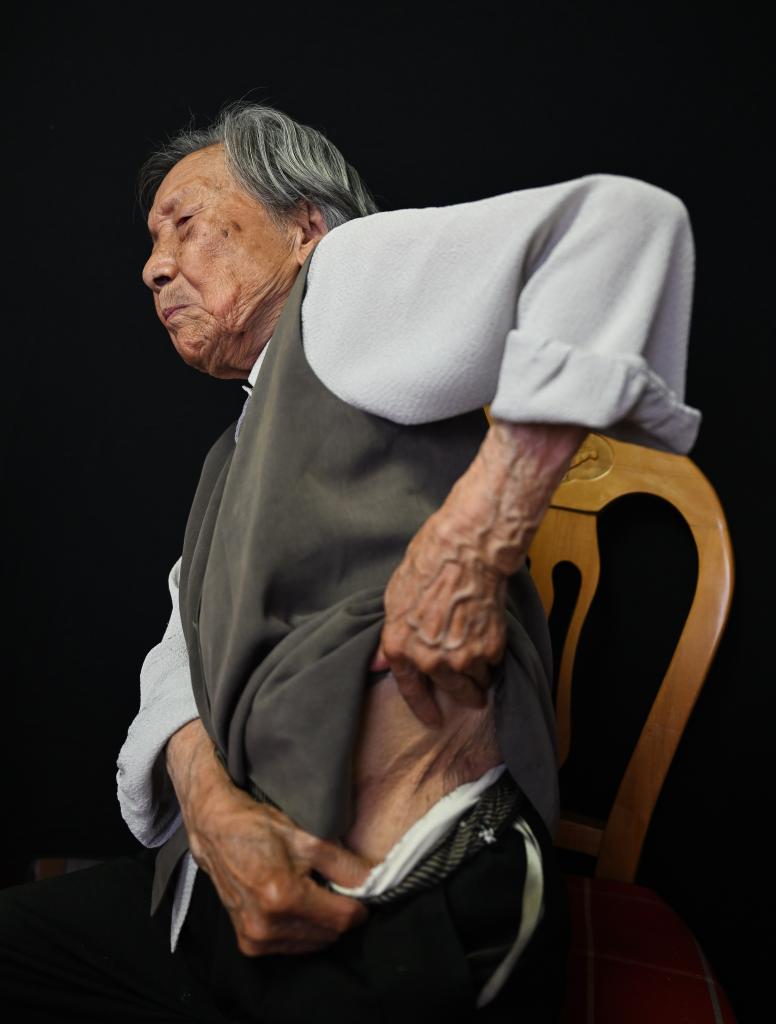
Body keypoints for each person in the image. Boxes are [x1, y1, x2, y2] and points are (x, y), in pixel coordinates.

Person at [0, 102, 700, 1023]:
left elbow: (622, 229)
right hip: (216, 902)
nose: (154, 265)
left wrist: (478, 537)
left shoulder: (341, 288)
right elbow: (176, 665)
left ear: (304, 228)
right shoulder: (230, 463)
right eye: (152, 242)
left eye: (186, 222)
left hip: (402, 910)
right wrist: (214, 811)